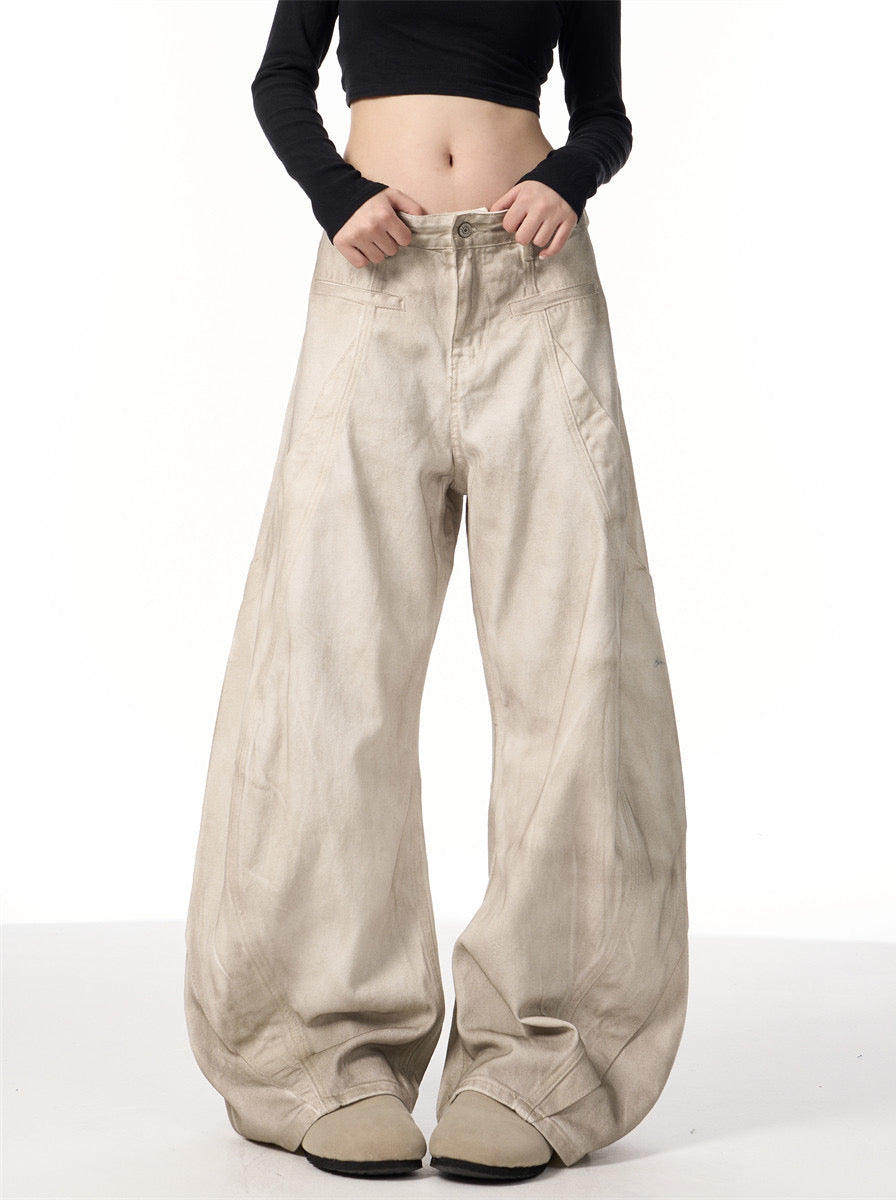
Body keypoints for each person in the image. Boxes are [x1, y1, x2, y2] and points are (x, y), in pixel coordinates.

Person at [183, 0, 689, 1185]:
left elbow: (604, 116)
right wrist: (335, 194)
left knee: (577, 666)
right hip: (377, 280)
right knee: (328, 663)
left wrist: (567, 178)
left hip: (536, 287)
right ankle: (319, 1055)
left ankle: (542, 1062)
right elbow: (281, 79)